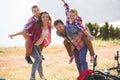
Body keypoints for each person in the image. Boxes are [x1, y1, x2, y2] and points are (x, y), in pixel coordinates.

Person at [27, 11, 52, 80]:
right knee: (38, 59)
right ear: (40, 18)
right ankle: (32, 77)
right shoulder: (37, 25)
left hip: (38, 46)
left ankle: (42, 76)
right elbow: (26, 31)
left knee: (40, 61)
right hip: (31, 45)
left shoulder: (49, 26)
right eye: (43, 17)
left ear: (49, 17)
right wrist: (15, 34)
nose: (45, 18)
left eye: (46, 16)